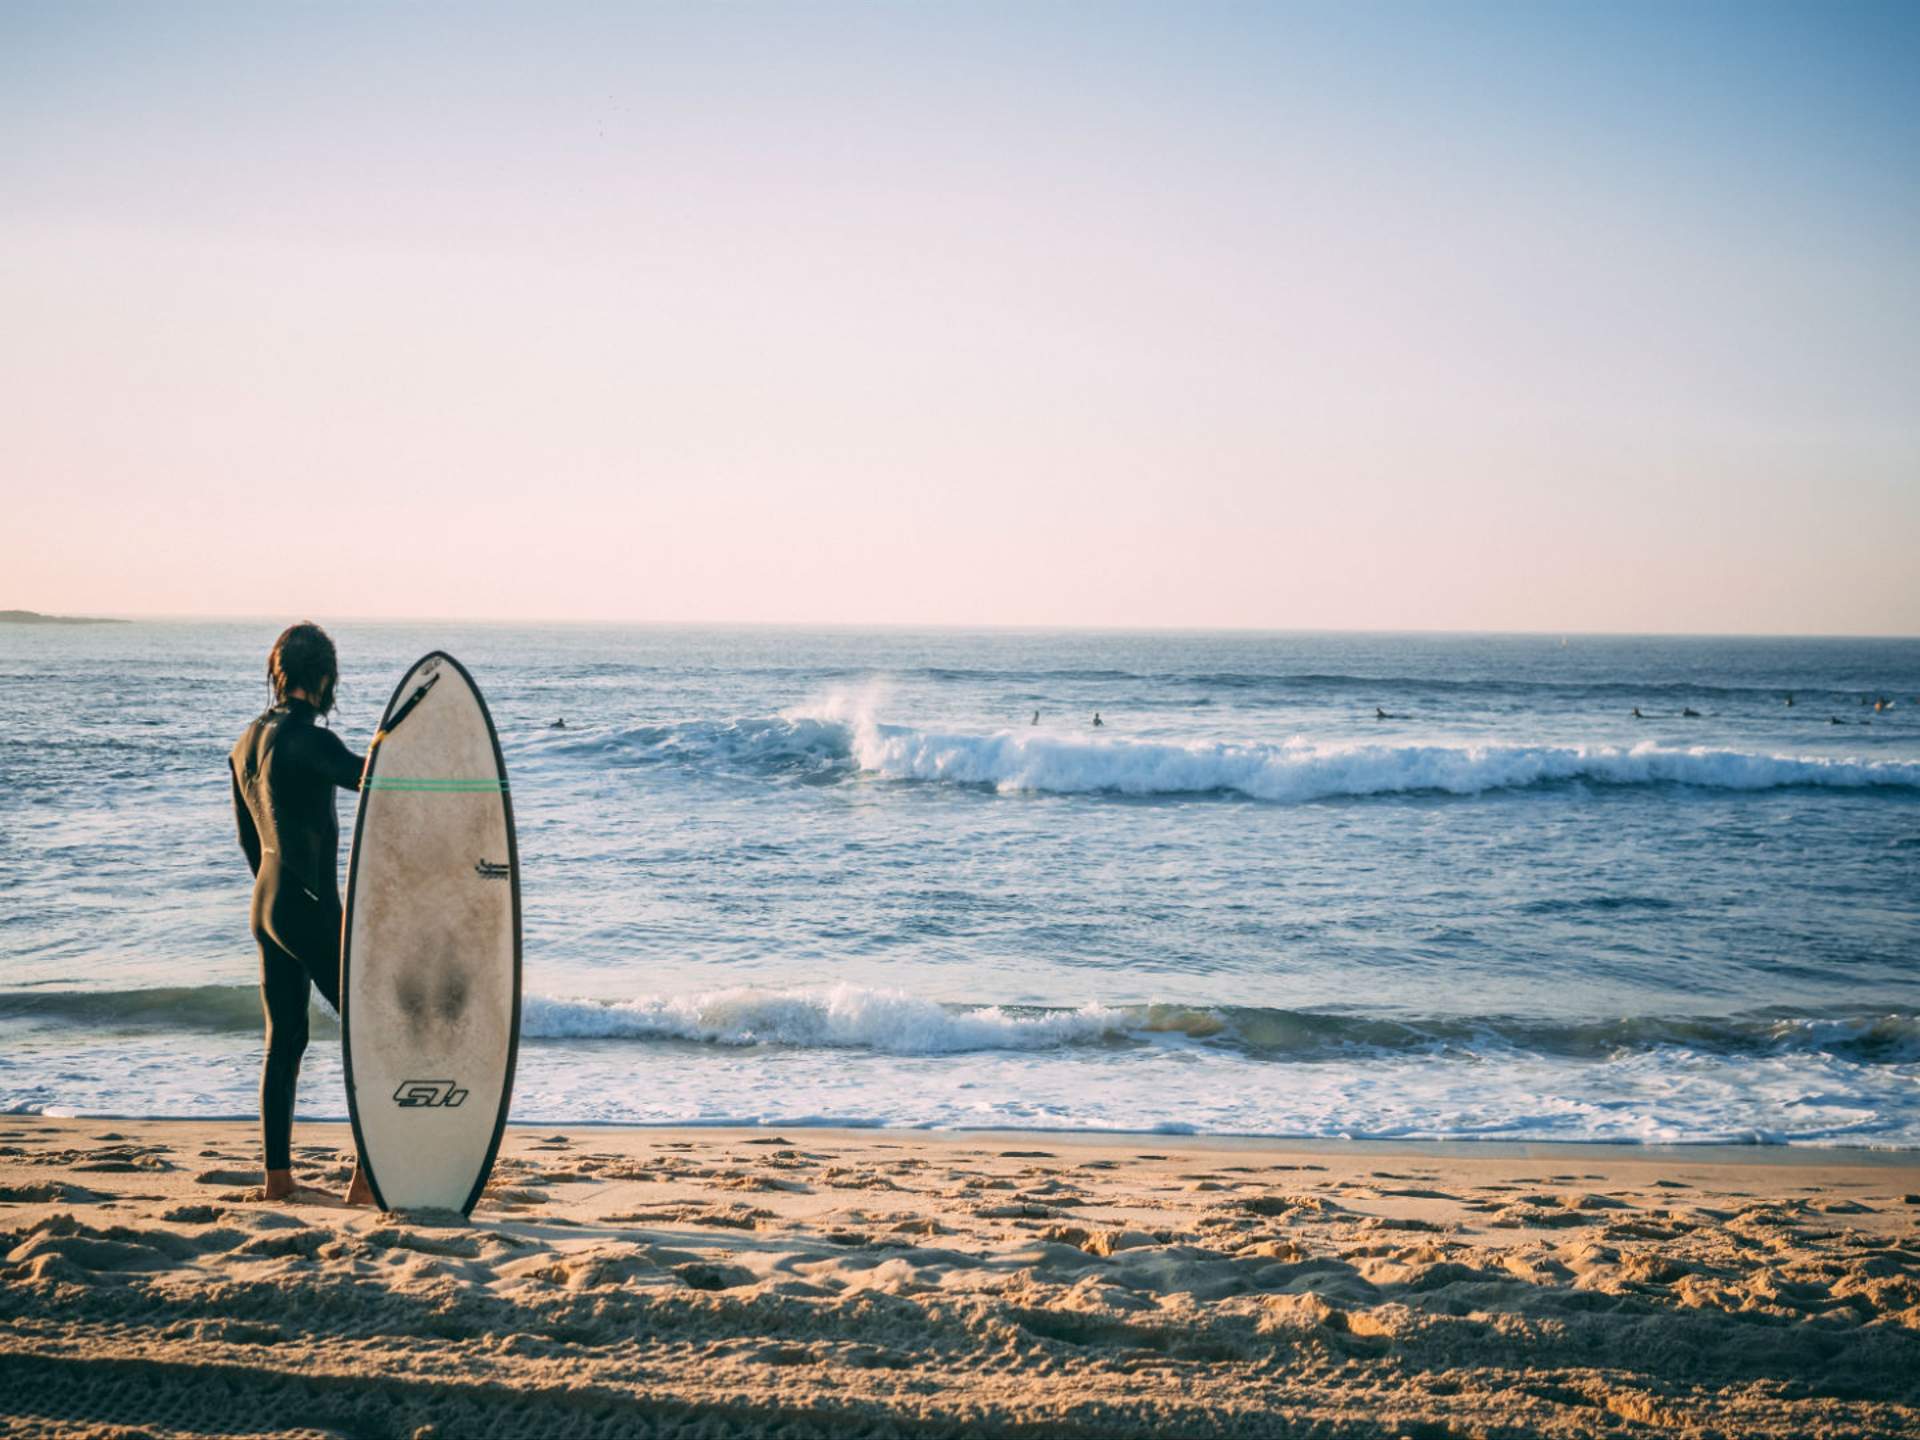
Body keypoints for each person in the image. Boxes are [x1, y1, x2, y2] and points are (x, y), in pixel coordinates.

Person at [229, 622, 373, 1206]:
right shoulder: (311, 740)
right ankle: (366, 1181)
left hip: (265, 903)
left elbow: (247, 839)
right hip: (308, 904)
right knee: (370, 1034)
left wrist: (281, 901)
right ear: (323, 678)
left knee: (284, 1040)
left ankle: (279, 1180)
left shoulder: (245, 742)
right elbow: (380, 783)